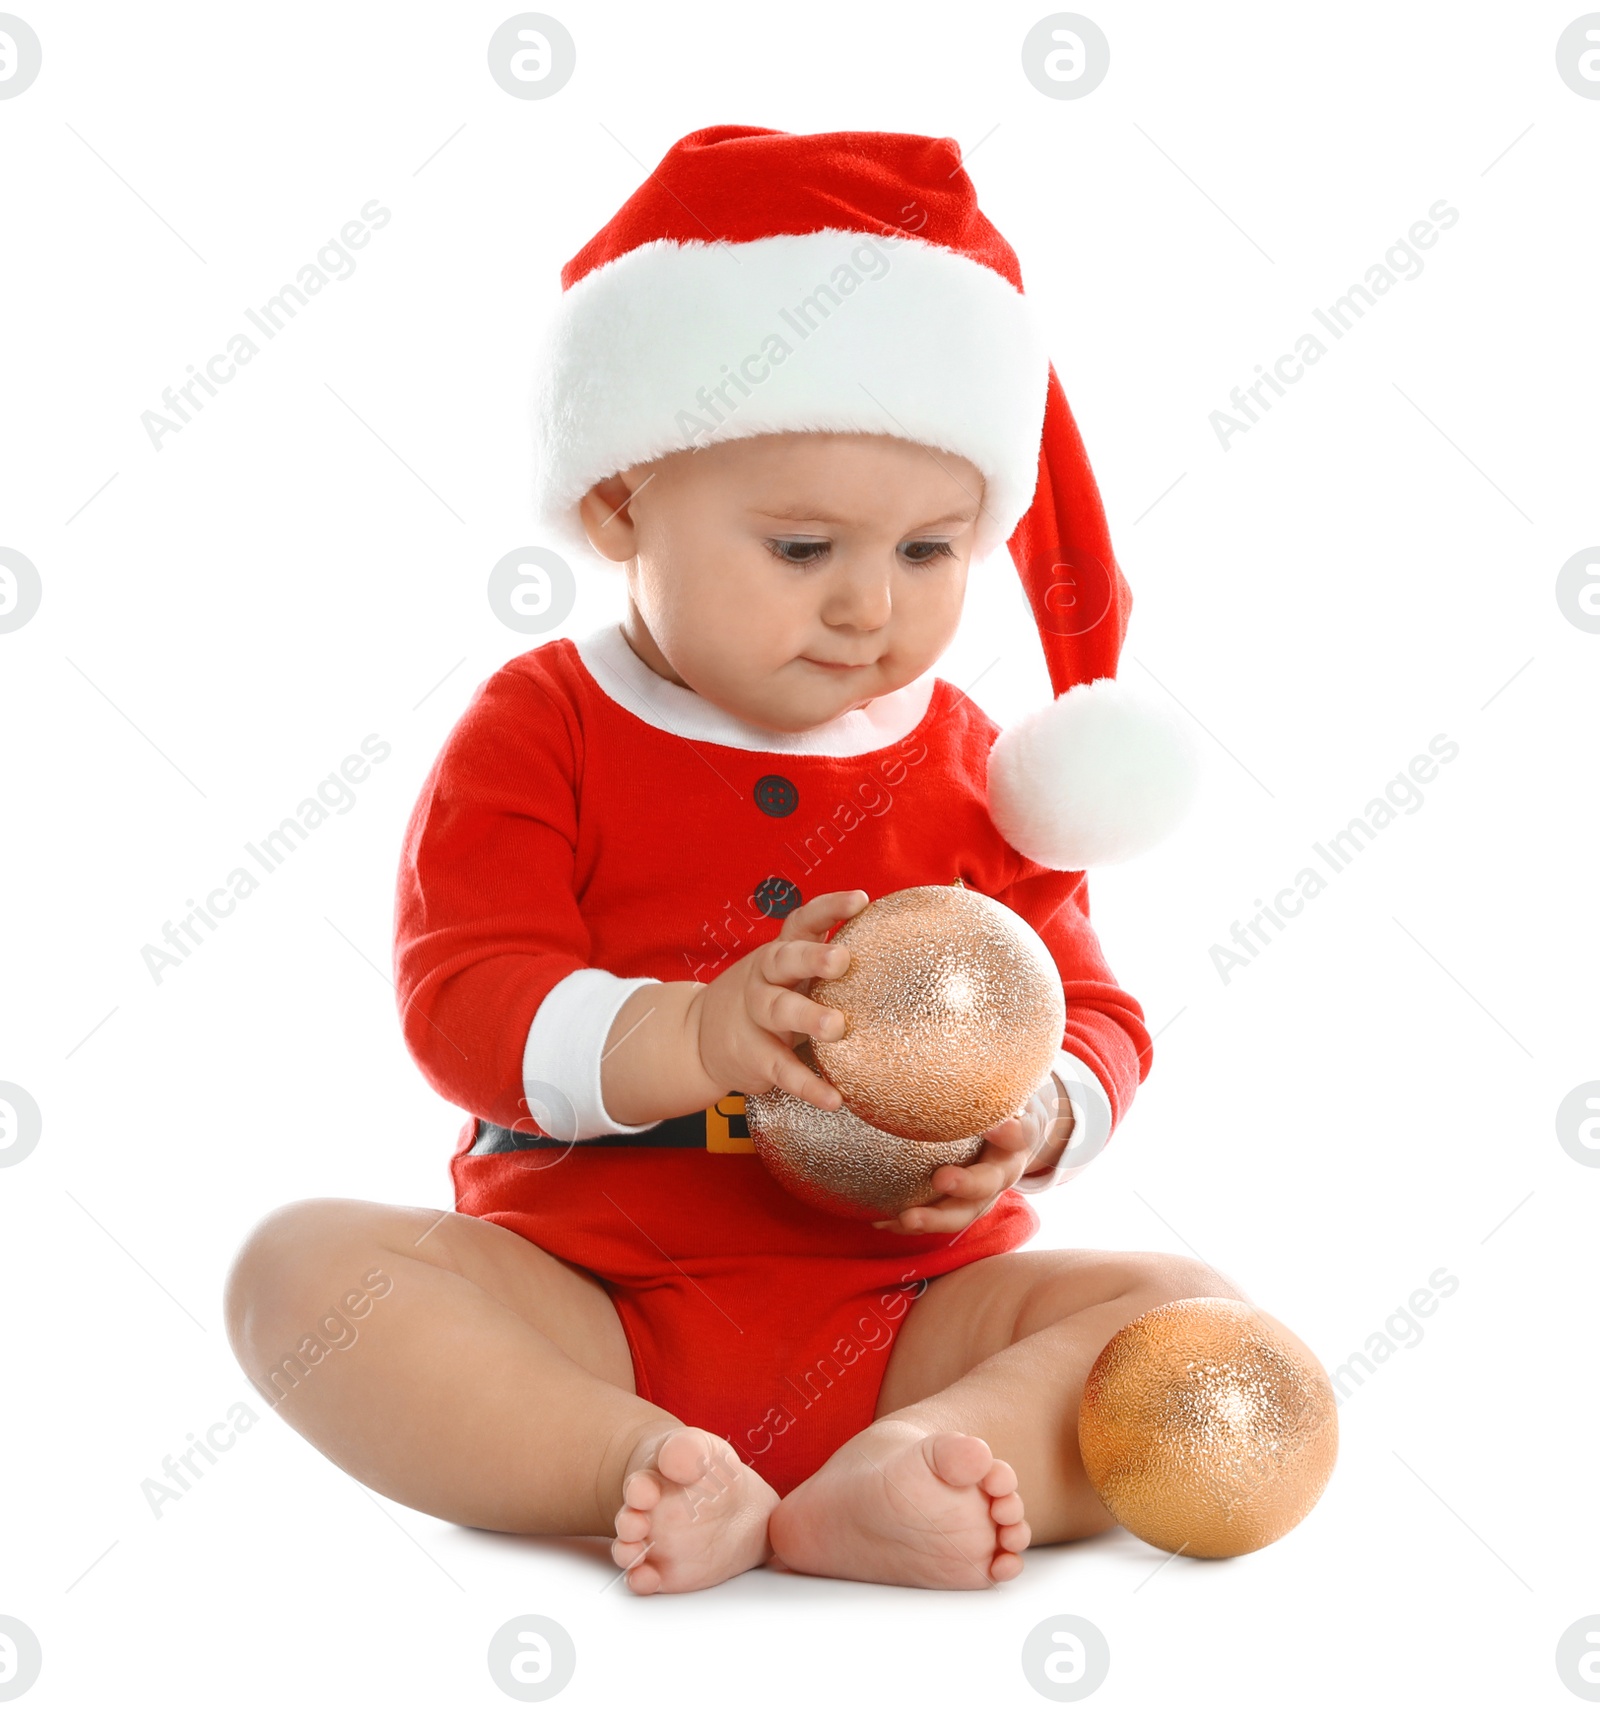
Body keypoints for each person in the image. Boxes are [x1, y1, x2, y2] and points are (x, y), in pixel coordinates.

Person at [224, 125, 1247, 1597]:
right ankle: (623, 1464)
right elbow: (463, 998)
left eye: (926, 553)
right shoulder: (545, 723)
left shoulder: (971, 756)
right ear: (621, 504)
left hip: (913, 1308)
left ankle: (920, 1465)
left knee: (1183, 1317)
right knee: (297, 1274)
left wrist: (1031, 1114)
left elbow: (1098, 1012)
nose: (864, 611)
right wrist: (691, 1032)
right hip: (588, 1302)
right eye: (801, 547)